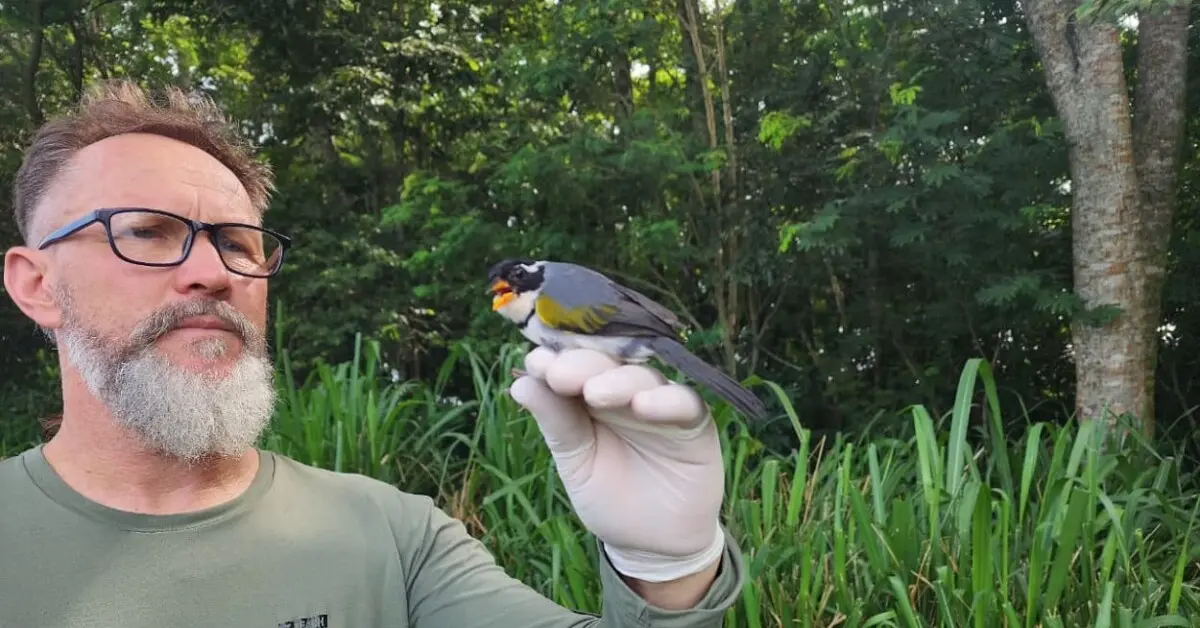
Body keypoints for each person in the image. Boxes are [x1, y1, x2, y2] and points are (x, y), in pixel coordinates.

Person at [0, 79, 746, 627]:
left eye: (238, 243)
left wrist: (668, 571)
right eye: (144, 230)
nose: (214, 273)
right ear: (36, 285)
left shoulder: (396, 537)